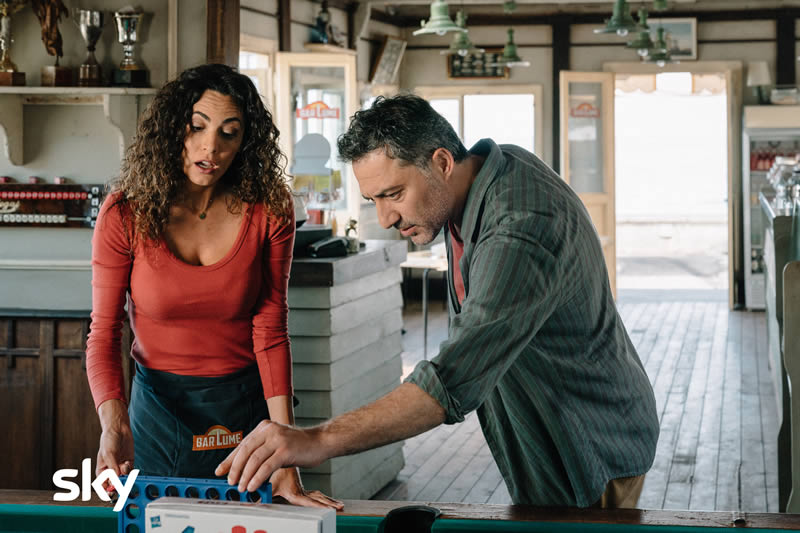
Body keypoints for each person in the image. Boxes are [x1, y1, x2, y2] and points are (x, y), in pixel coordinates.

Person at [216, 93, 660, 508]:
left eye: (393, 195)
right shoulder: (480, 174)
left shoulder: (520, 227)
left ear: (442, 161)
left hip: (589, 444)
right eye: (374, 200)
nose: (386, 217)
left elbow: (449, 382)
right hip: (547, 427)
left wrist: (313, 441)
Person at [86, 63, 342, 510]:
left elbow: (271, 329)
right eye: (197, 127)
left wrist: (287, 457)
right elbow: (104, 332)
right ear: (172, 129)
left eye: (230, 132)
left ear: (246, 141)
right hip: (158, 410)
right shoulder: (124, 212)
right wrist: (114, 425)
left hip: (243, 408)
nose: (212, 147)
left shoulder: (271, 209)